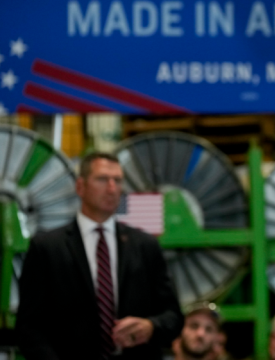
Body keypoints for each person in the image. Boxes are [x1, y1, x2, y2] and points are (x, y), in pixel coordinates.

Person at [16, 152, 183, 360]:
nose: (112, 188)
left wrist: (151, 326)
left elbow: (174, 316)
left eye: (118, 181)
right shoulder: (47, 248)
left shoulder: (145, 245)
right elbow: (29, 327)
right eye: (102, 179)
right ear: (80, 187)